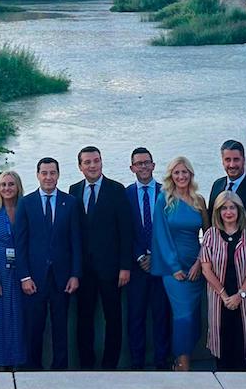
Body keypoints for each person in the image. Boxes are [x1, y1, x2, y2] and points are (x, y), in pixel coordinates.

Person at [13, 157, 82, 370]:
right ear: (38, 175)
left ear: (58, 175)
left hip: (62, 278)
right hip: (34, 278)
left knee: (61, 328)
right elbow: (20, 242)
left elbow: (76, 241)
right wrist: (24, 276)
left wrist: (75, 274)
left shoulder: (70, 202)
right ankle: (32, 370)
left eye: (52, 173)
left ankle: (59, 370)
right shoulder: (26, 202)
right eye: (45, 173)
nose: (49, 177)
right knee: (35, 327)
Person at [68, 145, 133, 369]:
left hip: (111, 268)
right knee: (83, 319)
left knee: (113, 319)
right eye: (87, 162)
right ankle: (86, 364)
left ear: (101, 162)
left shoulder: (116, 189)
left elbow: (126, 231)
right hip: (83, 270)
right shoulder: (74, 190)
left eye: (96, 161)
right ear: (80, 167)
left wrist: (125, 266)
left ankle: (110, 365)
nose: (92, 165)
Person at [208, 139, 246, 369]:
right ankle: (225, 369)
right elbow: (210, 228)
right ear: (222, 160)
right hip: (221, 270)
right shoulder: (216, 186)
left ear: (244, 160)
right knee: (223, 325)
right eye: (227, 160)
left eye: (236, 159)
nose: (232, 164)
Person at [150, 155, 208, 372]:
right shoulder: (163, 199)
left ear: (190, 174)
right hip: (173, 269)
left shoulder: (199, 200)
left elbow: (209, 235)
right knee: (182, 315)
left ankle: (183, 358)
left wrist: (200, 263)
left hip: (196, 266)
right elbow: (160, 237)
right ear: (171, 176)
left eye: (185, 172)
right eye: (177, 172)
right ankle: (183, 363)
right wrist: (174, 268)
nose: (181, 176)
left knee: (193, 316)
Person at [200, 190, 246, 372]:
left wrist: (239, 295)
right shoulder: (210, 235)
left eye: (232, 207)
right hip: (220, 298)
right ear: (218, 212)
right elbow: (206, 269)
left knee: (243, 342)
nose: (228, 212)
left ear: (239, 210)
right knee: (222, 341)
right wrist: (225, 295)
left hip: (244, 297)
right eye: (224, 208)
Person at [126, 147, 170, 371]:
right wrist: (140, 255)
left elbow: (171, 230)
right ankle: (137, 365)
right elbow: (125, 232)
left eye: (147, 162)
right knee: (136, 318)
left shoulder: (167, 193)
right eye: (138, 163)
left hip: (162, 267)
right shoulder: (125, 195)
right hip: (136, 269)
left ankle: (162, 363)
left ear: (153, 165)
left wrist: (156, 256)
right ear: (132, 168)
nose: (143, 167)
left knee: (162, 317)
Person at [0, 170, 28, 369]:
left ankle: (18, 361)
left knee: (19, 316)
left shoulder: (25, 208)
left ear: (18, 187)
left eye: (11, 184)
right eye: (3, 185)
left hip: (22, 270)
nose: (7, 188)